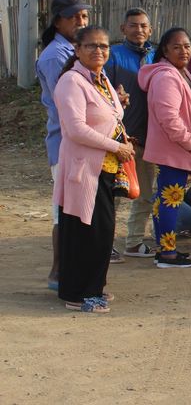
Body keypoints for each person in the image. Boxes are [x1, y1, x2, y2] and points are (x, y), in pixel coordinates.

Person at [54, 26, 134, 313]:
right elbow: (76, 129)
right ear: (77, 50)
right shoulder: (71, 81)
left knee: (100, 230)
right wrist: (116, 146)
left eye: (104, 46)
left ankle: (88, 287)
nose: (99, 51)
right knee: (87, 232)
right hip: (84, 168)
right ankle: (81, 294)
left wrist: (119, 112)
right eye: (91, 46)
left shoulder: (101, 79)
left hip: (104, 168)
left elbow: (106, 115)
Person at [138, 27, 191, 268]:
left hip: (173, 148)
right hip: (173, 149)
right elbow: (168, 117)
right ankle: (168, 254)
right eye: (177, 47)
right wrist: (190, 143)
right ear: (165, 50)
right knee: (171, 200)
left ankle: (164, 250)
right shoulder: (167, 77)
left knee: (165, 199)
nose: (184, 51)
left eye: (187, 46)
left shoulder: (178, 73)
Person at [36, 0, 92, 289]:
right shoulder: (56, 56)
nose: (81, 21)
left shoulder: (75, 50)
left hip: (82, 142)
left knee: (78, 209)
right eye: (74, 17)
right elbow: (70, 104)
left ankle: (73, 271)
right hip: (66, 142)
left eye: (84, 16)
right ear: (58, 22)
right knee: (65, 211)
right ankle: (59, 273)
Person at [104, 8, 158, 258]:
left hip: (149, 139)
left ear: (150, 30)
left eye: (143, 26)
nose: (139, 30)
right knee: (112, 196)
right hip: (118, 140)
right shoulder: (112, 56)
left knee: (145, 194)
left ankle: (134, 242)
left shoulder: (156, 56)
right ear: (123, 29)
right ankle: (104, 245)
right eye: (133, 25)